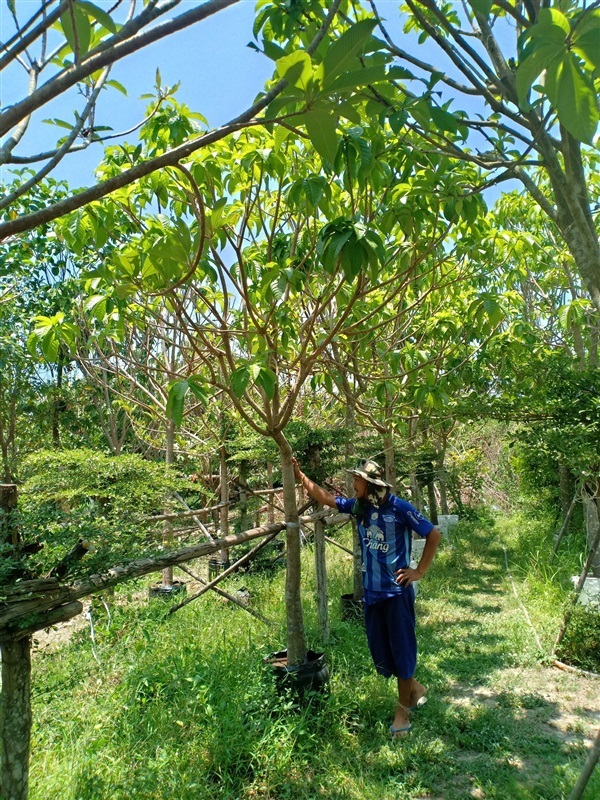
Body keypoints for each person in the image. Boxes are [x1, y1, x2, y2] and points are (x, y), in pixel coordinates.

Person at [292, 456, 442, 738]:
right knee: (382, 655)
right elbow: (327, 499)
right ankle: (414, 687)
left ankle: (402, 713)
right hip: (372, 593)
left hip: (396, 594)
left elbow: (432, 534)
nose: (353, 484)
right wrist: (301, 477)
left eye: (357, 480)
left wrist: (418, 571)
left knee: (401, 651)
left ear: (371, 484)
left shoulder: (399, 508)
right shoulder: (361, 507)